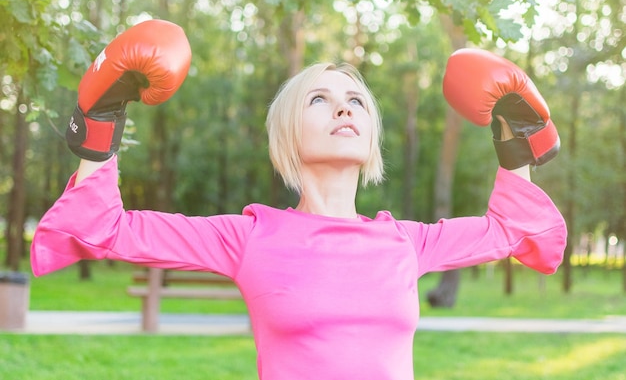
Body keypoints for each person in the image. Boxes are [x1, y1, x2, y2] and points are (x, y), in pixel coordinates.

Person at [31, 19, 567, 380]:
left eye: (356, 101)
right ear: (288, 135)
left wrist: (513, 144)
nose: (344, 109)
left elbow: (512, 231)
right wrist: (100, 123)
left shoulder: (407, 242)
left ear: (371, 136)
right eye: (320, 99)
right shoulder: (248, 237)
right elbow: (105, 227)